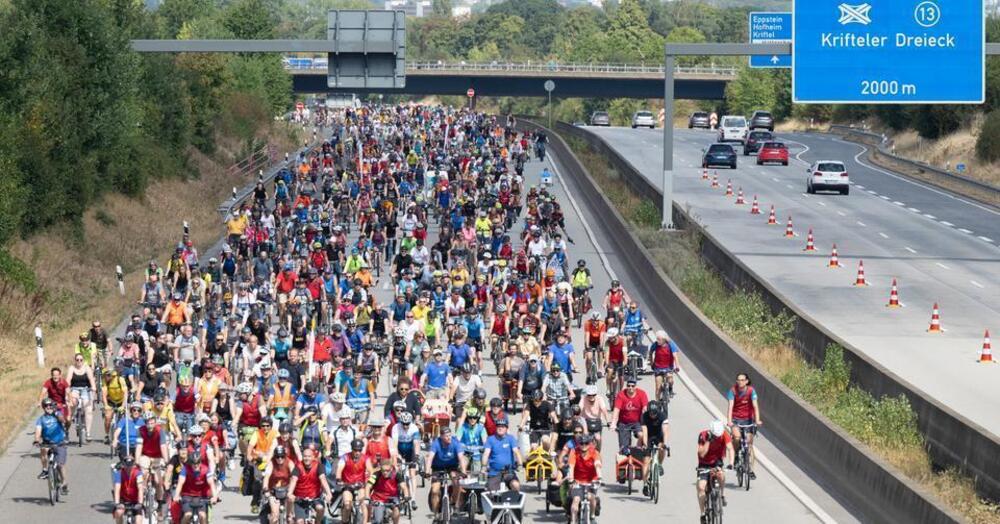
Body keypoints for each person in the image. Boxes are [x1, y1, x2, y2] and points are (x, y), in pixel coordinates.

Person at [425, 426, 467, 516]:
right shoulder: (436, 443)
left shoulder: (455, 443)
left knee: (456, 482)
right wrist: (427, 472)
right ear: (441, 436)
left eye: (450, 435)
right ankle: (436, 513)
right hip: (438, 467)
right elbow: (430, 458)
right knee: (435, 490)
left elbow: (461, 458)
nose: (449, 438)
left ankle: (454, 504)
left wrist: (463, 472)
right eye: (446, 436)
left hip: (452, 466)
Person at [727, 372, 762, 480]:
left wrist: (757, 420)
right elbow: (730, 407)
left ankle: (751, 469)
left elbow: (755, 406)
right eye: (738, 380)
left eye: (742, 380)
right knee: (737, 438)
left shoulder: (751, 391)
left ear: (747, 381)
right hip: (736, 420)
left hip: (748, 421)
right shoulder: (732, 391)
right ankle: (736, 455)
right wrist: (729, 421)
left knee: (749, 444)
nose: (740, 382)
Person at [697, 420, 734, 523]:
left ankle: (722, 495)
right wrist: (708, 441)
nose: (717, 437)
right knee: (701, 487)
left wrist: (731, 463)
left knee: (721, 475)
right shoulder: (703, 435)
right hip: (704, 463)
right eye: (715, 436)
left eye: (718, 435)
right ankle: (703, 513)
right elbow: (702, 454)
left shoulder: (724, 434)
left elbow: (730, 448)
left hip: (717, 462)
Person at [173, 444, 219, 524]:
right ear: (190, 463)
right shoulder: (185, 469)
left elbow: (211, 484)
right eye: (193, 464)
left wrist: (215, 497)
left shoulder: (206, 469)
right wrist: (176, 495)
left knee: (203, 516)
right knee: (188, 515)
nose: (196, 466)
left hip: (202, 496)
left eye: (197, 463)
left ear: (200, 462)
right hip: (187, 495)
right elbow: (180, 483)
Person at [288, 447, 334, 524]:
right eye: (305, 456)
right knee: (300, 522)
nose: (307, 458)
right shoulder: (298, 467)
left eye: (309, 456)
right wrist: (290, 493)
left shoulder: (319, 466)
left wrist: (328, 493)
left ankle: (318, 522)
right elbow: (293, 479)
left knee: (320, 508)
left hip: (315, 497)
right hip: (300, 498)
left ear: (313, 457)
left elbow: (323, 479)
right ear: (302, 457)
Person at [34, 398, 68, 493]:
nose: (48, 407)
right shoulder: (41, 419)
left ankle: (64, 483)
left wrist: (56, 414)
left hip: (60, 442)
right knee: (43, 449)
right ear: (43, 407)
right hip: (47, 442)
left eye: (50, 405)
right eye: (46, 406)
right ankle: (45, 470)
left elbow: (63, 420)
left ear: (53, 406)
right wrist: (36, 440)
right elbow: (38, 430)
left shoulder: (57, 414)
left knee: (60, 465)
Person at [567, 434, 601, 524]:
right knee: (576, 500)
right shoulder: (574, 452)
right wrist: (571, 479)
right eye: (581, 443)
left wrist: (599, 478)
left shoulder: (594, 452)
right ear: (579, 444)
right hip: (577, 481)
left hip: (591, 481)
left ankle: (592, 516)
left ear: (589, 443)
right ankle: (573, 521)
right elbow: (571, 466)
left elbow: (597, 465)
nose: (584, 445)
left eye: (586, 443)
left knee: (591, 497)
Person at [482, 418, 523, 492]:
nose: (500, 428)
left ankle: (514, 500)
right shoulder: (490, 439)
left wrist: (520, 465)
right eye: (498, 426)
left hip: (509, 472)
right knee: (491, 492)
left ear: (506, 428)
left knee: (516, 485)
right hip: (494, 472)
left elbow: (516, 451)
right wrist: (484, 466)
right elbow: (486, 453)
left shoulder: (511, 439)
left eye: (503, 426)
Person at [367, 457, 410, 524]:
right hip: (378, 499)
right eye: (383, 470)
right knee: (377, 521)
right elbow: (368, 486)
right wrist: (367, 498)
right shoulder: (376, 475)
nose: (385, 472)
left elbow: (404, 487)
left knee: (396, 509)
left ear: (391, 469)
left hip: (392, 498)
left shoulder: (397, 475)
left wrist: (406, 496)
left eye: (387, 470)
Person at [611, 376, 648, 454]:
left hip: (637, 422)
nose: (630, 388)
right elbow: (616, 410)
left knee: (641, 435)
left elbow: (645, 408)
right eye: (628, 386)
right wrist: (613, 423)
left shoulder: (642, 393)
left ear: (636, 386)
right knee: (623, 448)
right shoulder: (621, 395)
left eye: (632, 386)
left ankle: (637, 450)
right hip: (624, 423)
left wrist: (646, 421)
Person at [336, 439, 369, 524]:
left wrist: (370, 482)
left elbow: (371, 471)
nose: (357, 452)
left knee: (363, 504)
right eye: (355, 450)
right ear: (352, 449)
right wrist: (339, 479)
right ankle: (344, 521)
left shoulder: (365, 458)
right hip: (347, 485)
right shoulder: (345, 457)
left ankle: (364, 522)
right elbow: (339, 469)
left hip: (360, 485)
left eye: (359, 450)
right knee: (347, 505)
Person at [640, 400, 669, 495]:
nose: (652, 415)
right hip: (649, 436)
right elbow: (644, 432)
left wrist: (665, 443)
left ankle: (659, 464)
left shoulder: (663, 416)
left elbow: (665, 431)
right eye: (651, 413)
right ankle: (645, 484)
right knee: (646, 461)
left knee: (662, 447)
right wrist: (644, 444)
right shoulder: (644, 416)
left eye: (654, 413)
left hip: (658, 436)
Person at [67, 353, 96, 441]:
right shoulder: (72, 368)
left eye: (81, 360)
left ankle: (88, 432)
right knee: (72, 404)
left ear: (83, 361)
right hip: (74, 389)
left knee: (88, 409)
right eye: (77, 360)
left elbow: (91, 379)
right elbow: (68, 379)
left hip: (85, 389)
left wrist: (94, 387)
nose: (79, 361)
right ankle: (66, 430)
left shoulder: (87, 368)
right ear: (75, 360)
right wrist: (67, 389)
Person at [261, 445, 293, 524]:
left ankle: (289, 516)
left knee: (290, 518)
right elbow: (266, 477)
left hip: (287, 490)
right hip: (273, 491)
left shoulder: (289, 462)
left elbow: (294, 477)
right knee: (275, 516)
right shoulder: (271, 463)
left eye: (282, 456)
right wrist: (265, 489)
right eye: (277, 457)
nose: (279, 459)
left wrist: (293, 489)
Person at [519, 389, 557, 454]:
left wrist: (557, 426)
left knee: (545, 441)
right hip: (534, 428)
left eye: (538, 400)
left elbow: (554, 416)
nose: (536, 402)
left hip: (545, 428)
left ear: (542, 399)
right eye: (534, 400)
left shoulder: (547, 404)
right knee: (533, 447)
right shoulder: (530, 404)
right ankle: (533, 460)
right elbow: (525, 416)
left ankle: (546, 455)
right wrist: (521, 426)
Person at [113, 451, 145, 524]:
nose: (128, 468)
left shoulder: (138, 473)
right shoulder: (119, 473)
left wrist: (140, 503)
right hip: (123, 500)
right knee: (118, 512)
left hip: (135, 501)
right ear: (123, 465)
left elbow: (140, 488)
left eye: (130, 465)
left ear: (133, 465)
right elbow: (117, 489)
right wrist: (117, 503)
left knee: (138, 521)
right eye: (127, 465)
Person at [649, 330, 680, 399]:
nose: (657, 341)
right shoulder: (655, 344)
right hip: (658, 367)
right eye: (657, 339)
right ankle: (657, 403)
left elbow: (675, 355)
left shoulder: (671, 344)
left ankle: (670, 388)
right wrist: (651, 363)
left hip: (668, 367)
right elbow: (650, 352)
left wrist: (677, 366)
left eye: (659, 339)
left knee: (670, 380)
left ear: (664, 339)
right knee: (658, 387)